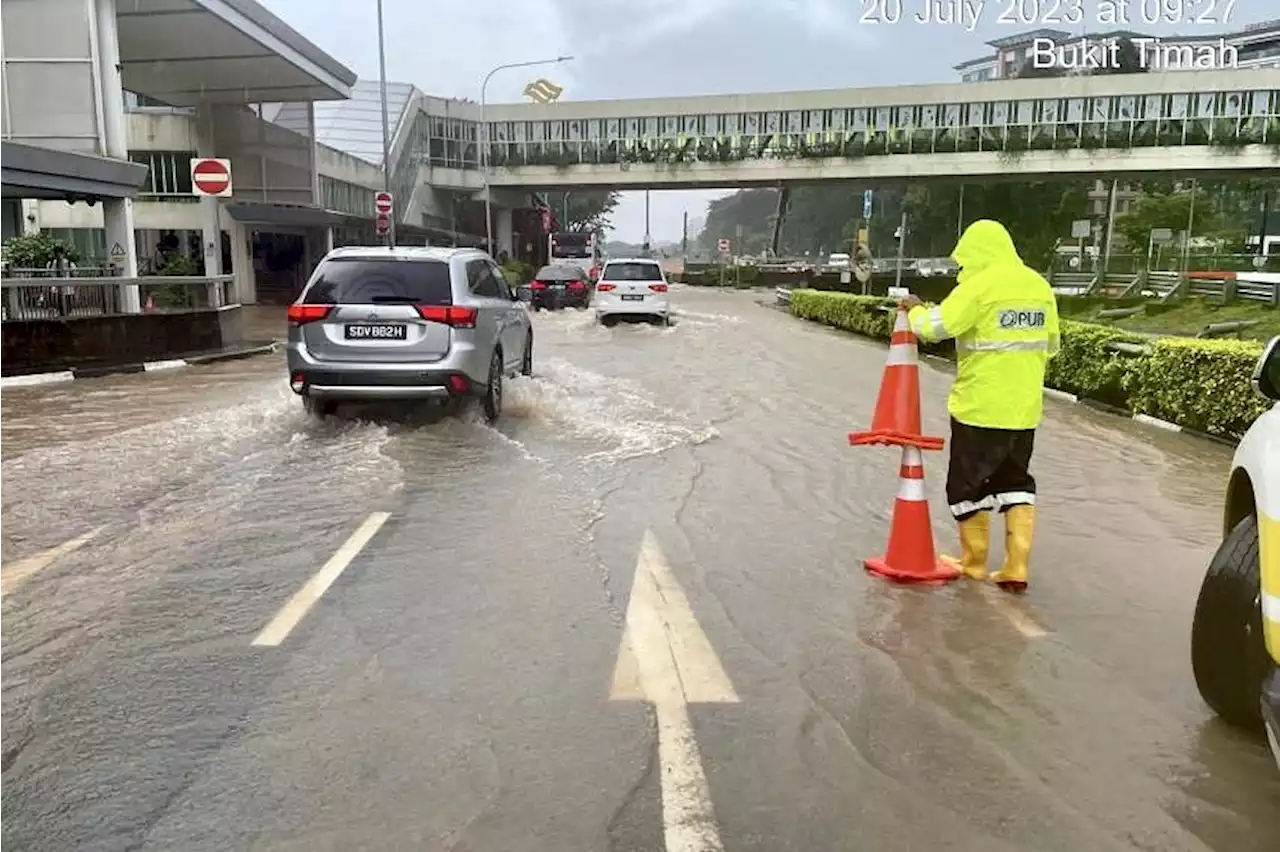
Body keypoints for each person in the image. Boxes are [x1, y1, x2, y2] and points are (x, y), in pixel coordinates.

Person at [898, 219, 1060, 592]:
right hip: (1023, 411)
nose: (962, 268)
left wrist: (916, 309)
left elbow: (935, 328)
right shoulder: (1038, 286)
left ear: (976, 253)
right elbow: (1051, 344)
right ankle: (1015, 568)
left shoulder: (980, 286)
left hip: (979, 408)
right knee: (1016, 484)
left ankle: (972, 564)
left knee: (968, 485)